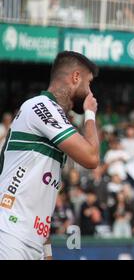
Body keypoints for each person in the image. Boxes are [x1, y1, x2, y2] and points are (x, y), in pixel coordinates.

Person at [0, 51, 99, 260]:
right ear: (75, 77)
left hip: (29, 241)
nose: (90, 92)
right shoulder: (40, 106)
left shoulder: (54, 120)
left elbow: (42, 196)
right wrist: (90, 113)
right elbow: (91, 158)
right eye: (88, 83)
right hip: (9, 233)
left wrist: (47, 253)